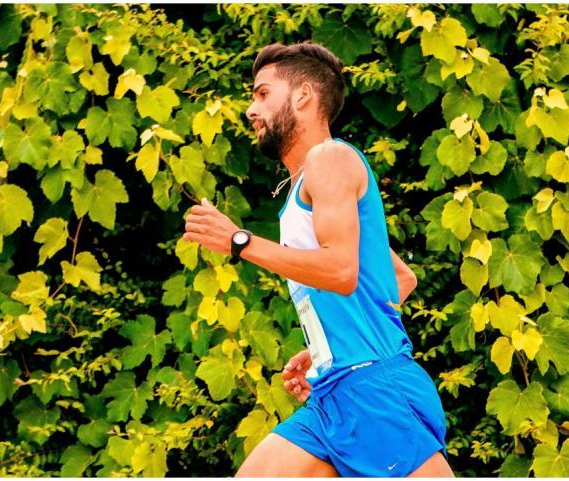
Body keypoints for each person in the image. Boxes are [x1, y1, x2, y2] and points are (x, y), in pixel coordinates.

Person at [182, 41, 455, 477]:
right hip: (333, 393)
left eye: (263, 94)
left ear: (304, 96)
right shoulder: (306, 186)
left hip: (373, 390)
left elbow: (342, 271)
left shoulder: (330, 159)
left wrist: (239, 241)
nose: (251, 110)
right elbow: (401, 278)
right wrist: (324, 346)